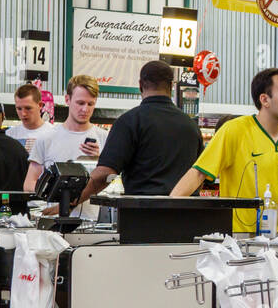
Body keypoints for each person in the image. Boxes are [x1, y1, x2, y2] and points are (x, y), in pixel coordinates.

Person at [170, 68, 278, 233]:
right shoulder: (234, 131)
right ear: (265, 99)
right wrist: (169, 211)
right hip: (241, 238)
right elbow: (198, 173)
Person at [79, 61, 202, 202]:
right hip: (187, 215)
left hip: (143, 214)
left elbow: (104, 175)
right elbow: (200, 174)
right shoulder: (191, 126)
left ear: (140, 85)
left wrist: (72, 202)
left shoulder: (129, 122)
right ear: (171, 85)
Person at [24, 74, 107, 219]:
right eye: (80, 103)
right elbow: (29, 183)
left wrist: (99, 162)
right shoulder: (46, 138)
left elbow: (109, 180)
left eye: (90, 104)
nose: (85, 109)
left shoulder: (104, 139)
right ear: (67, 99)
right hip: (52, 225)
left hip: (90, 225)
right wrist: (52, 195)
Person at [7, 82, 54, 155]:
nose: (23, 113)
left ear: (40, 105)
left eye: (28, 108)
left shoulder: (53, 134)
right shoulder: (9, 135)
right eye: (19, 109)